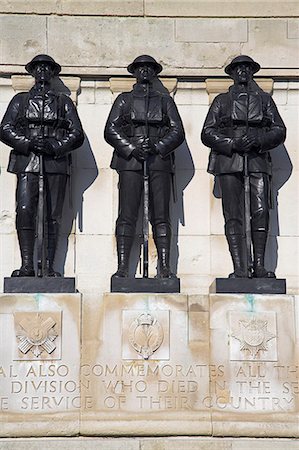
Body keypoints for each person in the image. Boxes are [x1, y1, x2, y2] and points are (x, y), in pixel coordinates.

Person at [201, 55, 286, 278]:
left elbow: (279, 130)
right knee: (233, 215)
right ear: (231, 72)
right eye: (238, 68)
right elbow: (207, 132)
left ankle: (259, 265)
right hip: (229, 161)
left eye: (247, 68)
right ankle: (239, 267)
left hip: (257, 159)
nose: (243, 72)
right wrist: (232, 143)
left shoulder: (265, 100)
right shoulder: (221, 100)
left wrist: (259, 141)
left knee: (260, 212)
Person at [0, 54, 84, 277]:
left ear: (53, 73)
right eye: (39, 68)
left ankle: (48, 264)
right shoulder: (21, 100)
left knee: (52, 215)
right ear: (33, 72)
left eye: (47, 68)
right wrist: (27, 142)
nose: (43, 72)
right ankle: (27, 264)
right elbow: (5, 129)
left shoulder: (64, 102)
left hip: (55, 163)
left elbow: (77, 134)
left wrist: (56, 146)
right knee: (26, 210)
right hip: (28, 162)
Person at [104, 55, 185, 278]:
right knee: (127, 214)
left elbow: (177, 131)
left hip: (158, 160)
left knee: (161, 215)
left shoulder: (165, 100)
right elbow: (111, 130)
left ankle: (165, 267)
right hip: (130, 162)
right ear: (135, 72)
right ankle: (122, 267)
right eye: (141, 68)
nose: (145, 72)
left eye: (150, 68)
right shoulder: (124, 100)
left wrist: (158, 146)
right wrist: (131, 148)